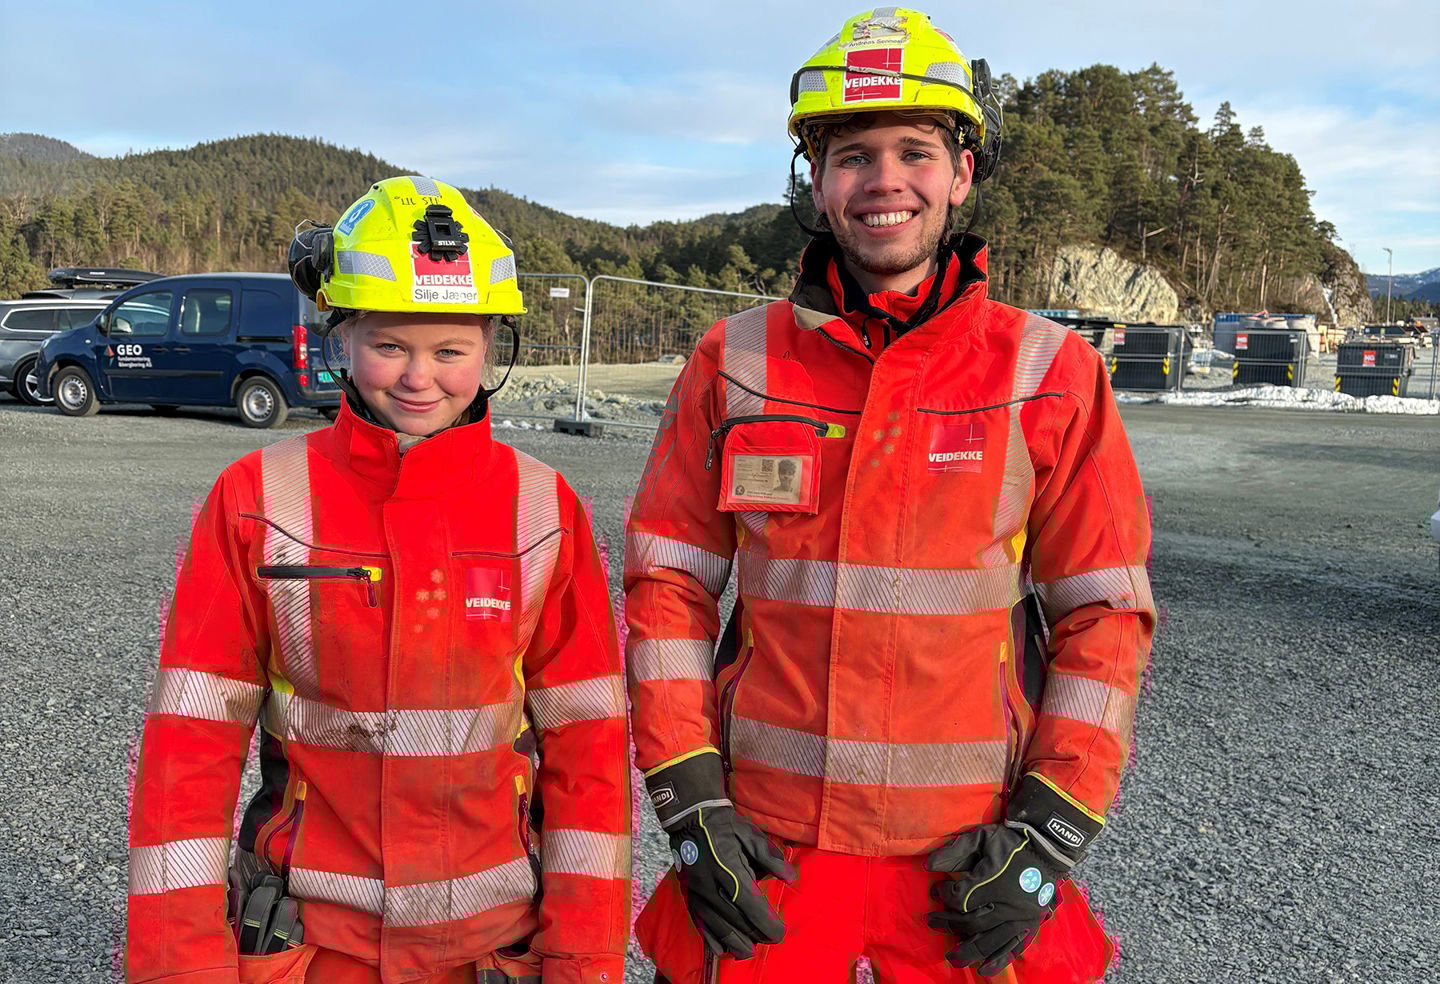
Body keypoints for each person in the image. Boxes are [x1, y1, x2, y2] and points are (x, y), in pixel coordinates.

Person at [624, 9, 1154, 984]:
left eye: (915, 150)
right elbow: (668, 588)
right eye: (853, 155)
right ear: (816, 184)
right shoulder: (732, 363)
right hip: (770, 853)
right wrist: (689, 800)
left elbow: (1104, 615)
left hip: (968, 862)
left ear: (961, 173)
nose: (884, 181)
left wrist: (1052, 831)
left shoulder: (1053, 374)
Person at [127, 176, 631, 984]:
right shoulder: (257, 500)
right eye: (390, 345)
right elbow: (190, 744)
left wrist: (587, 957)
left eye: (451, 350)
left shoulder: (544, 507)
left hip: (490, 944)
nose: (418, 377)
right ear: (342, 337)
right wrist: (178, 965)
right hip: (311, 943)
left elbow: (591, 747)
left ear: (492, 349)